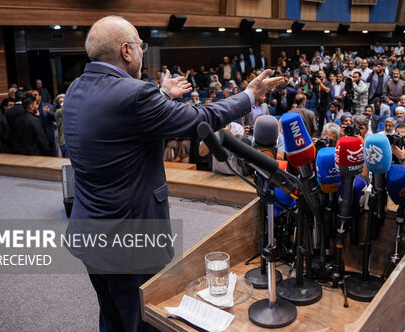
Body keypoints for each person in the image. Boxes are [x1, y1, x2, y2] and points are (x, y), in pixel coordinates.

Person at [62, 16, 282, 332]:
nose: (142, 51)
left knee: (111, 315)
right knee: (143, 319)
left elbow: (122, 125)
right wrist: (249, 95)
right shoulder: (137, 95)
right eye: (140, 46)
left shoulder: (75, 89)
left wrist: (162, 96)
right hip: (132, 240)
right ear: (127, 51)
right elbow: (201, 117)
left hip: (90, 232)